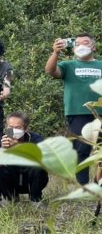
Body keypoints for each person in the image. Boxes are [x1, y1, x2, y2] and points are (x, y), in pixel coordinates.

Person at [45, 33, 102, 184]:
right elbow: (50, 71)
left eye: (86, 43)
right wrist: (56, 53)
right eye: (77, 43)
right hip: (77, 113)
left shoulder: (100, 65)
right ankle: (83, 185)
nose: (81, 46)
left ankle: (99, 184)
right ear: (73, 47)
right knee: (81, 150)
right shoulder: (67, 65)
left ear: (93, 46)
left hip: (100, 114)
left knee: (100, 152)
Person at [0, 112, 49, 205]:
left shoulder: (35, 139)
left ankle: (35, 199)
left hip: (30, 180)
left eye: (17, 128)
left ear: (26, 128)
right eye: (10, 127)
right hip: (11, 180)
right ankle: (10, 198)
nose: (13, 130)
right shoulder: (2, 139)